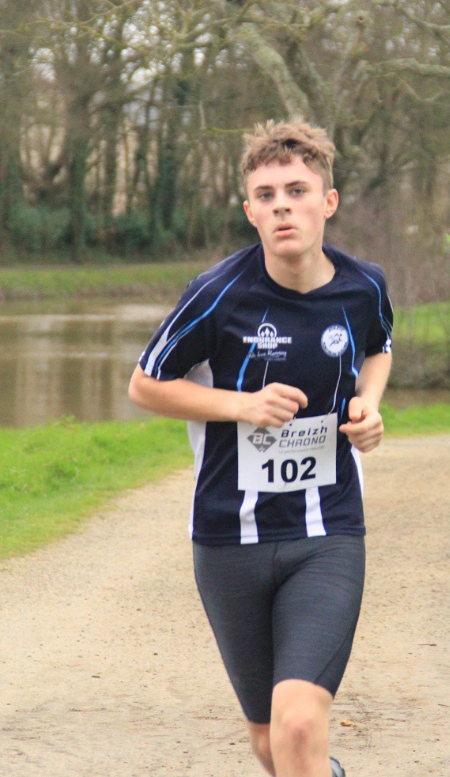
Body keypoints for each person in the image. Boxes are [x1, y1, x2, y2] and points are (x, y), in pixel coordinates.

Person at [129, 120, 393, 777]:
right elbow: (144, 385)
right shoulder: (217, 293)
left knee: (299, 723)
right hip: (228, 539)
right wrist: (240, 406)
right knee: (272, 744)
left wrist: (368, 405)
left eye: (297, 191)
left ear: (327, 202)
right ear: (249, 211)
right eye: (266, 195)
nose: (282, 206)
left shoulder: (363, 287)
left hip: (327, 533)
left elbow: (378, 348)